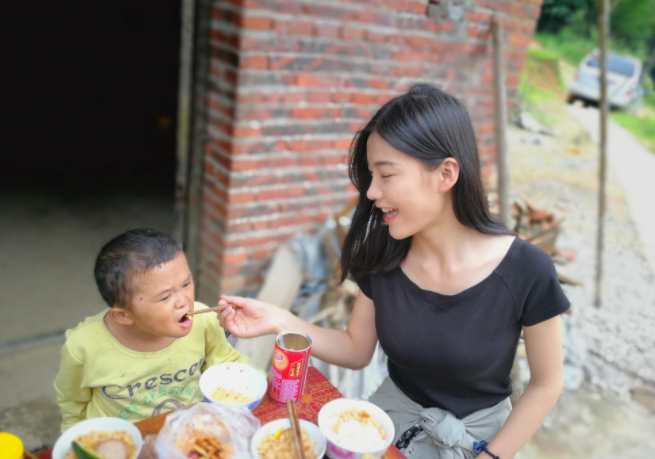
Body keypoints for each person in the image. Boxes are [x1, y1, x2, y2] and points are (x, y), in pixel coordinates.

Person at [217, 84, 569, 459]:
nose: (370, 192)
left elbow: (547, 383)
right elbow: (356, 348)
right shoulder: (383, 252)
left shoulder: (527, 269)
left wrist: (492, 457)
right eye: (371, 176)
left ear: (446, 174)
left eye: (386, 175)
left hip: (479, 442)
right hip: (384, 426)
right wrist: (278, 319)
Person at [54, 229, 245, 432]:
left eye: (186, 284)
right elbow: (72, 402)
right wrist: (75, 437)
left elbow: (226, 366)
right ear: (124, 315)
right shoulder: (83, 347)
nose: (184, 302)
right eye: (164, 297)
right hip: (123, 441)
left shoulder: (205, 320)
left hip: (189, 431)